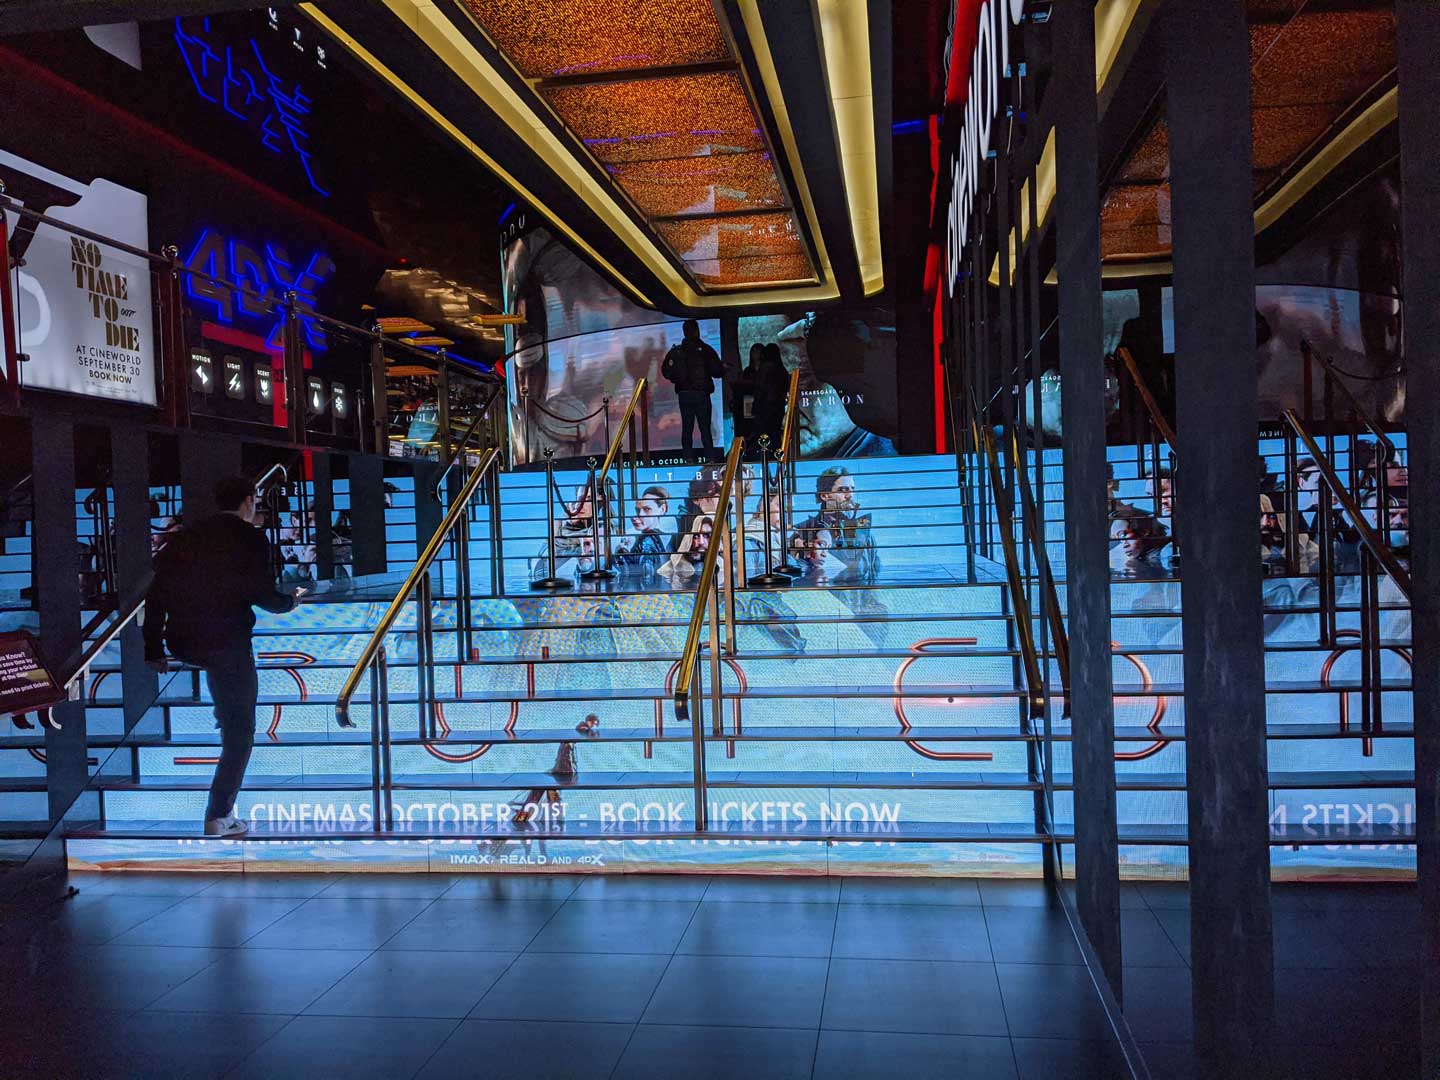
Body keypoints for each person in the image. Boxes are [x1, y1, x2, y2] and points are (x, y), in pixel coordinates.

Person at [143, 475, 304, 837]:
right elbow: (261, 592)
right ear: (248, 500)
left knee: (226, 698)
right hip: (228, 642)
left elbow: (156, 595)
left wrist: (152, 646)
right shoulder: (250, 538)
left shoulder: (184, 537)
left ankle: (222, 712)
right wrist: (289, 602)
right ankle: (219, 814)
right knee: (240, 729)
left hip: (184, 641)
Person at [661, 319, 722, 457]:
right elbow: (717, 371)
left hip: (684, 394)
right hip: (701, 393)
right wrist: (723, 368)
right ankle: (710, 458)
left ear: (684, 332)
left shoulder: (676, 351)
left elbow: (666, 371)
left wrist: (676, 379)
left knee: (687, 428)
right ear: (697, 331)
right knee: (705, 428)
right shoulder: (705, 350)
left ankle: (688, 457)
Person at [617, 485, 673, 578]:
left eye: (647, 509)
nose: (640, 514)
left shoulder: (651, 540)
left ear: (662, 509)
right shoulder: (638, 538)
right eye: (638, 510)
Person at [751, 343, 790, 452]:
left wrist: (755, 405)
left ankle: (762, 456)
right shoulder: (782, 369)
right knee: (775, 433)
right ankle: (777, 454)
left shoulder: (765, 367)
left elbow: (760, 387)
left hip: (765, 407)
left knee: (762, 434)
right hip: (778, 406)